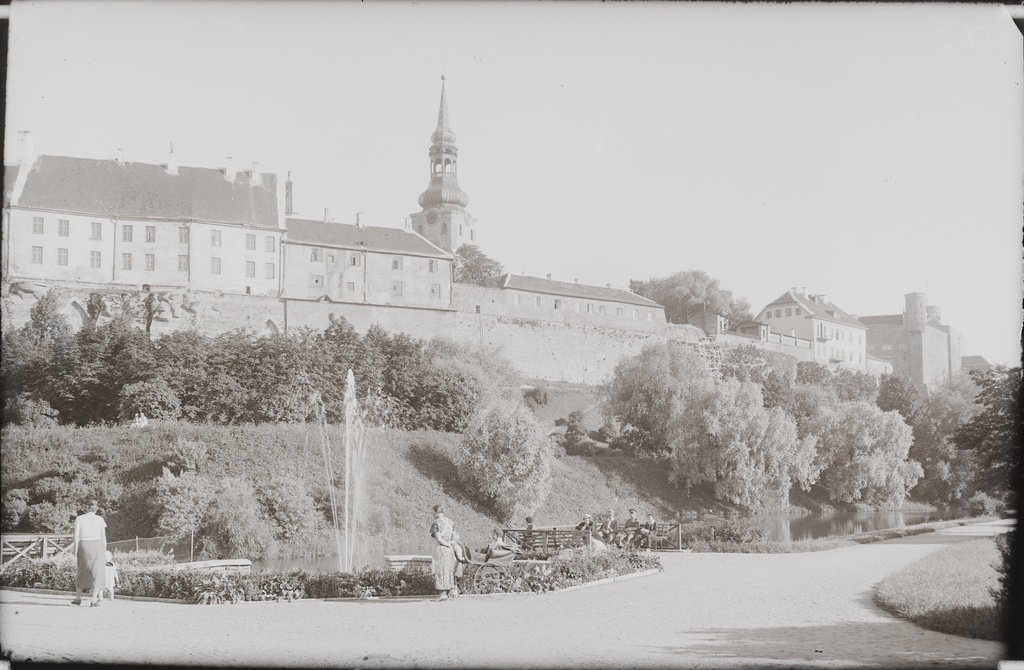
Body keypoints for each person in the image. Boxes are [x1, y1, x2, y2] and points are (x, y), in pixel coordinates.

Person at [71, 500, 107, 607]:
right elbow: (104, 538)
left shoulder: (80, 518)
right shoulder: (100, 519)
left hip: (83, 544)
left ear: (86, 508)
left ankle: (78, 598)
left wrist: (76, 549)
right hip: (97, 544)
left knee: (81, 570)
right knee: (97, 572)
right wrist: (104, 551)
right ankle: (93, 600)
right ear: (96, 508)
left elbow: (76, 536)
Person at [429, 504, 457, 601]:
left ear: (437, 512)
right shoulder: (450, 522)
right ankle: (451, 591)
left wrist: (446, 544)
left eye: (433, 512)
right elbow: (455, 537)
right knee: (448, 569)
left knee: (440, 570)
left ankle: (442, 594)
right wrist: (450, 544)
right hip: (449, 549)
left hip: (441, 548)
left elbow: (439, 539)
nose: (432, 514)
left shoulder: (436, 523)